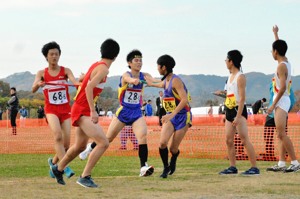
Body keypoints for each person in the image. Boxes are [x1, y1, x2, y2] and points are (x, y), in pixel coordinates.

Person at [51, 38, 120, 187]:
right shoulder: (104, 69)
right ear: (116, 56)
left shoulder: (96, 65)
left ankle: (58, 168)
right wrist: (93, 111)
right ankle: (85, 176)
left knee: (80, 146)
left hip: (79, 107)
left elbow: (84, 80)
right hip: (83, 109)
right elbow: (89, 88)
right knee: (103, 142)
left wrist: (83, 78)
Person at [79, 49, 154, 177]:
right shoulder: (126, 74)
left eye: (141, 60)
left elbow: (152, 81)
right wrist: (132, 81)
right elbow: (127, 78)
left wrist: (161, 83)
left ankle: (143, 166)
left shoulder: (144, 75)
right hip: (123, 112)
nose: (139, 63)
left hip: (136, 112)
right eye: (136, 60)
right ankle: (90, 147)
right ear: (129, 63)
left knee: (142, 136)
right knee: (108, 138)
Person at [32, 41, 78, 179]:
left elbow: (74, 81)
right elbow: (33, 88)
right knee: (58, 136)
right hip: (51, 109)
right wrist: (39, 84)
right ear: (46, 56)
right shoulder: (41, 73)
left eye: (56, 54)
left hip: (65, 110)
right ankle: (64, 168)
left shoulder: (66, 71)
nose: (54, 57)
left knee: (66, 144)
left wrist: (81, 82)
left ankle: (53, 162)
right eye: (51, 54)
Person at [145, 54, 192, 178]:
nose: (157, 68)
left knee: (173, 148)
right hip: (171, 116)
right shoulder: (166, 80)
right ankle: (166, 168)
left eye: (158, 66)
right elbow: (159, 84)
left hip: (182, 116)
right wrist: (149, 82)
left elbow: (184, 100)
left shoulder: (175, 80)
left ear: (164, 67)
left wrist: (172, 114)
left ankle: (174, 157)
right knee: (162, 143)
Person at [218, 50, 259, 176]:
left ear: (231, 61)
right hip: (229, 110)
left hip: (238, 111)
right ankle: (232, 167)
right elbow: (229, 96)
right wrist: (226, 114)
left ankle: (254, 167)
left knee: (244, 139)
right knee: (228, 140)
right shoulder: (229, 77)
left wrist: (238, 116)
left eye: (226, 59)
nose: (225, 61)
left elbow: (242, 98)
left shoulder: (240, 77)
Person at [266, 25, 300, 172]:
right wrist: (276, 34)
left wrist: (273, 105)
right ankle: (281, 163)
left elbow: (282, 88)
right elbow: (280, 48)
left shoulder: (281, 67)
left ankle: (295, 162)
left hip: (281, 100)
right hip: (282, 100)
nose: (272, 53)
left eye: (272, 51)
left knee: (281, 133)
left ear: (275, 52)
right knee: (280, 133)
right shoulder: (285, 61)